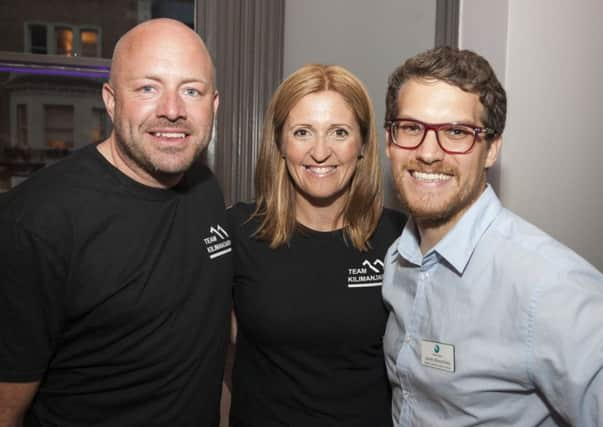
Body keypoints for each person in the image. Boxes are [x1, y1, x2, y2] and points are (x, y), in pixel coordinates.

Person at [0, 18, 232, 427]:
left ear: (213, 106)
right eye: (148, 88)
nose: (172, 111)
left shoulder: (206, 189)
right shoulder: (35, 221)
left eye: (191, 91)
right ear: (110, 100)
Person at [382, 46, 603, 426]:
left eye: (456, 132)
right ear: (390, 141)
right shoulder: (396, 260)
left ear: (491, 150)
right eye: (412, 128)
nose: (429, 153)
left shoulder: (551, 287)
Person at [226, 64, 405, 426]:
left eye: (339, 132)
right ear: (279, 142)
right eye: (303, 132)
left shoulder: (399, 238)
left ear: (363, 144)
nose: (320, 152)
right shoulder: (238, 233)